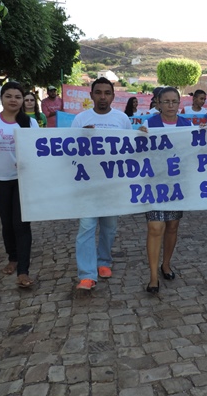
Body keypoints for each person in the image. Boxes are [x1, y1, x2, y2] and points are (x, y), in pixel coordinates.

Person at [70, 77, 132, 291]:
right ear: (91, 95)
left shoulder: (122, 119)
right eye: (98, 92)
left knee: (109, 227)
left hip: (112, 183)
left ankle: (104, 261)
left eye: (107, 93)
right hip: (88, 183)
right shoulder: (80, 119)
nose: (103, 97)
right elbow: (69, 149)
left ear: (113, 96)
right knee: (86, 227)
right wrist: (82, 137)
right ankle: (87, 274)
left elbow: (130, 148)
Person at [0, 81, 39, 288]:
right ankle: (12, 257)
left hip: (23, 181)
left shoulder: (30, 123)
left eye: (18, 97)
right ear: (1, 98)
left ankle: (23, 271)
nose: (13, 100)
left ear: (23, 100)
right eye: (9, 96)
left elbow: (37, 152)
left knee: (21, 224)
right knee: (7, 222)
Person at [139, 87, 192, 294]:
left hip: (176, 184)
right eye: (166, 101)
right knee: (155, 227)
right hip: (153, 183)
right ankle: (153, 276)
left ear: (179, 103)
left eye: (174, 101)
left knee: (172, 226)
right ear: (158, 104)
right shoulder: (148, 124)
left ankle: (166, 264)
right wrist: (139, 137)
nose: (171, 105)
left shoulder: (186, 125)